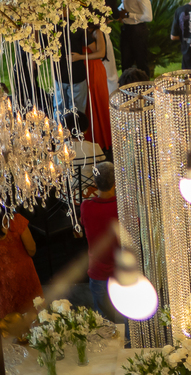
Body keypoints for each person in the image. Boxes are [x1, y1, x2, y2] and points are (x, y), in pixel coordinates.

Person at [0, 210, 42, 317]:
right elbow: (31, 250)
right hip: (24, 277)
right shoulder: (15, 219)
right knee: (33, 316)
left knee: (8, 320)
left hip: (0, 281)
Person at [80, 162, 123, 323]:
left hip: (98, 272)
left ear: (94, 182)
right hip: (121, 272)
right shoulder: (121, 207)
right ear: (115, 182)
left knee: (103, 323)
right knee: (127, 322)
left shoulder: (86, 207)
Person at [74, 19, 112, 150]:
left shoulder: (96, 32)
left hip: (94, 68)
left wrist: (79, 57)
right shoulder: (77, 31)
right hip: (82, 68)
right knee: (86, 102)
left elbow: (101, 53)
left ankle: (102, 140)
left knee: (97, 101)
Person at [117, 0, 153, 74]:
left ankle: (145, 83)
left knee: (141, 62)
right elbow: (124, 5)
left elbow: (148, 16)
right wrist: (117, 12)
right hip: (126, 29)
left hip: (138, 31)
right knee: (125, 63)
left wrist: (129, 15)